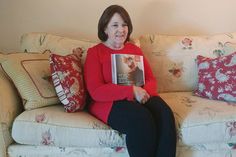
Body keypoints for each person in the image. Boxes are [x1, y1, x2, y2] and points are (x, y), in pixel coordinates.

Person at [84, 4, 176, 157]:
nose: (121, 29)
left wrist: (144, 92)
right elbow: (96, 91)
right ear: (105, 29)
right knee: (141, 119)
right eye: (115, 25)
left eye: (124, 25)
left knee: (165, 114)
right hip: (108, 102)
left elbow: (150, 79)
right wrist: (131, 91)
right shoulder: (95, 53)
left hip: (140, 95)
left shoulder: (134, 50)